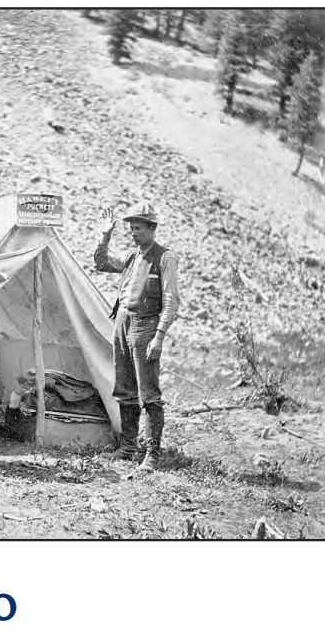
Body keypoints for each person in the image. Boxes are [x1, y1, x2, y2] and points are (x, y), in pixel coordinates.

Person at [94, 202, 180, 472]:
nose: (133, 233)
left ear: (152, 229)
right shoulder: (133, 257)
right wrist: (105, 234)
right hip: (122, 323)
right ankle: (128, 448)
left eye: (138, 228)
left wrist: (159, 336)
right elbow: (101, 263)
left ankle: (152, 455)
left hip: (145, 327)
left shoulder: (165, 258)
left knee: (149, 394)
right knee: (124, 388)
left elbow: (171, 300)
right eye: (130, 228)